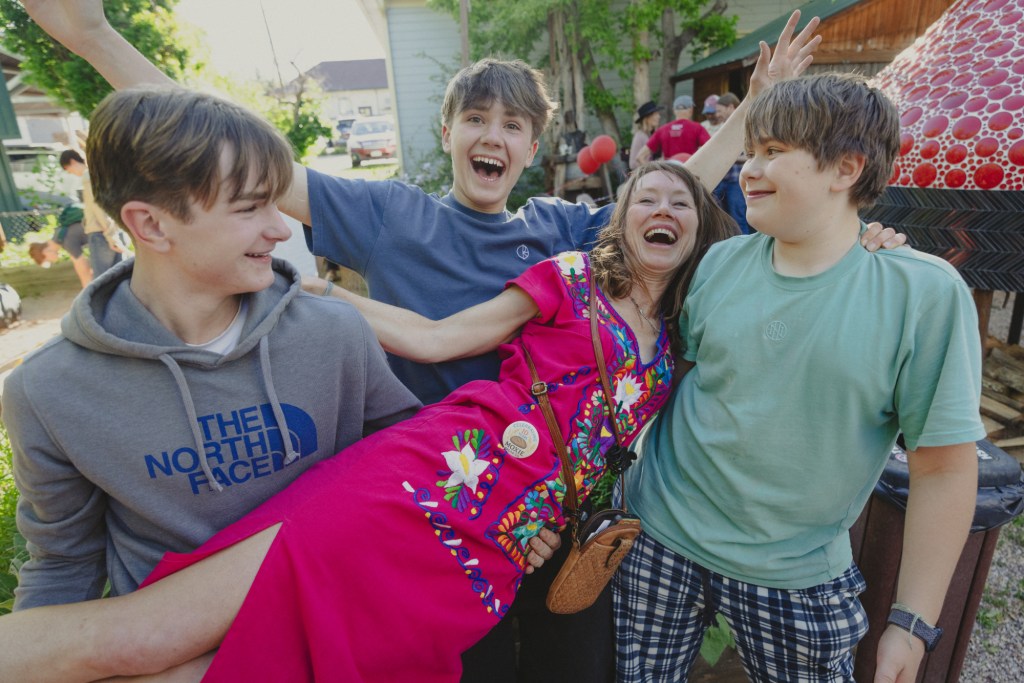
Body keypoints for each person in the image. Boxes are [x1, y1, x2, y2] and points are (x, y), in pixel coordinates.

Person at [18, 4, 901, 681]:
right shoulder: (390, 212)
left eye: (513, 123)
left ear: (531, 144)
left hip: (540, 518)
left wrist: (830, 218)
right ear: (448, 134)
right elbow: (235, 166)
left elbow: (666, 199)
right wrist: (96, 36)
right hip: (426, 489)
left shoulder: (566, 237)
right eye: (475, 117)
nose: (493, 134)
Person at [0, 160, 731, 682]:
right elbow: (439, 338)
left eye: (680, 203)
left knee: (247, 668)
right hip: (438, 468)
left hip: (508, 536)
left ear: (699, 229)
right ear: (622, 214)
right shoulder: (567, 278)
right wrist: (327, 295)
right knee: (149, 635)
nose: (661, 210)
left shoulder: (678, 344)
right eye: (646, 197)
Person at [614, 73, 984, 683]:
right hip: (660, 535)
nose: (748, 169)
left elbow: (944, 467)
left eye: (774, 152)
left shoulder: (920, 293)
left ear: (845, 167)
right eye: (750, 151)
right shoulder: (718, 261)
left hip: (797, 571)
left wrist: (913, 623)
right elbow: (674, 379)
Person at [2, 85, 422, 612]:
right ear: (151, 223)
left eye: (275, 200)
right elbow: (63, 566)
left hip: (343, 630)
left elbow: (416, 470)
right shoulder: (45, 392)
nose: (279, 227)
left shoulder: (337, 332)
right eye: (249, 207)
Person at [58, 148, 131, 276]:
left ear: (72, 161)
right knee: (121, 278)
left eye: (67, 169)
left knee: (102, 282)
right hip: (115, 231)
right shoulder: (102, 174)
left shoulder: (89, 178)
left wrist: (111, 237)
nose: (70, 173)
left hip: (101, 234)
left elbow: (99, 208)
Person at [709, 92, 751, 234]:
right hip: (722, 181)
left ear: (731, 107)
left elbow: (752, 156)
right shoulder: (723, 128)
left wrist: (729, 157)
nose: (717, 114)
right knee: (719, 218)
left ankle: (745, 251)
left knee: (738, 219)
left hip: (737, 181)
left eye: (720, 111)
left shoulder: (747, 126)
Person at [633, 95, 710, 167]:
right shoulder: (697, 128)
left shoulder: (662, 130)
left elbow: (640, 157)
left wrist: (654, 172)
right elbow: (712, 150)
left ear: (674, 111)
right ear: (691, 110)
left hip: (669, 175)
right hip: (690, 173)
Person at [27, 203, 93, 287]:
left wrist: (87, 292)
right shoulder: (59, 234)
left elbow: (83, 270)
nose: (54, 261)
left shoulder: (65, 241)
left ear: (45, 252)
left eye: (49, 261)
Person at [629, 100, 662, 171]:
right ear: (647, 118)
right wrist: (652, 169)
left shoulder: (653, 135)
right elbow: (632, 164)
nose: (659, 117)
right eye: (655, 114)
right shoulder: (639, 136)